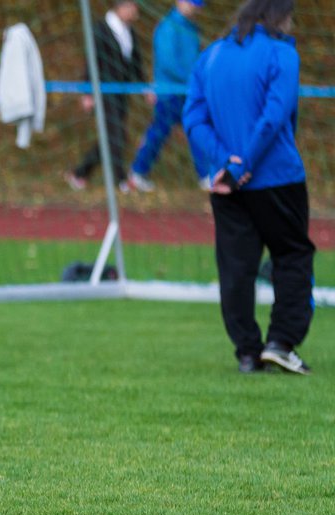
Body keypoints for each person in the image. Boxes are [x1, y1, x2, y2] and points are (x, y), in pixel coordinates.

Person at [183, 0, 315, 374]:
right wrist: (246, 162)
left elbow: (192, 117)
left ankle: (246, 350)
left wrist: (227, 162)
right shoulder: (281, 53)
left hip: (226, 183)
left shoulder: (211, 56)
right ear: (279, 16)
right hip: (277, 178)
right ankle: (281, 341)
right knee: (292, 256)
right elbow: (274, 116)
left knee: (236, 266)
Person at [64, 1, 145, 191]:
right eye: (132, 6)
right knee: (116, 135)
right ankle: (121, 181)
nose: (135, 10)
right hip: (103, 92)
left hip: (121, 93)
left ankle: (79, 173)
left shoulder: (130, 32)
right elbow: (91, 61)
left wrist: (143, 87)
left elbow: (135, 63)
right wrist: (87, 93)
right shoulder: (100, 29)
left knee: (110, 137)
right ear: (120, 6)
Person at [128, 1, 206, 192]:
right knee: (159, 131)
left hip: (187, 91)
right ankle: (137, 172)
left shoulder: (191, 28)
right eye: (191, 3)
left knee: (195, 129)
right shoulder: (168, 26)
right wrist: (194, 79)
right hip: (170, 92)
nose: (195, 7)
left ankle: (206, 175)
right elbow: (168, 62)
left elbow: (196, 58)